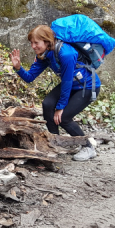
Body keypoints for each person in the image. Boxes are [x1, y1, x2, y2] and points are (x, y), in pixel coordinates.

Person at [10, 24, 100, 161]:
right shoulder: (45, 54)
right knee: (47, 104)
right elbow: (30, 78)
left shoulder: (66, 54)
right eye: (31, 43)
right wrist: (18, 67)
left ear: (46, 41)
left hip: (87, 86)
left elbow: (67, 81)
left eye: (36, 43)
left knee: (63, 118)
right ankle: (54, 143)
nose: (33, 46)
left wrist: (60, 107)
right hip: (71, 85)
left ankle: (88, 147)